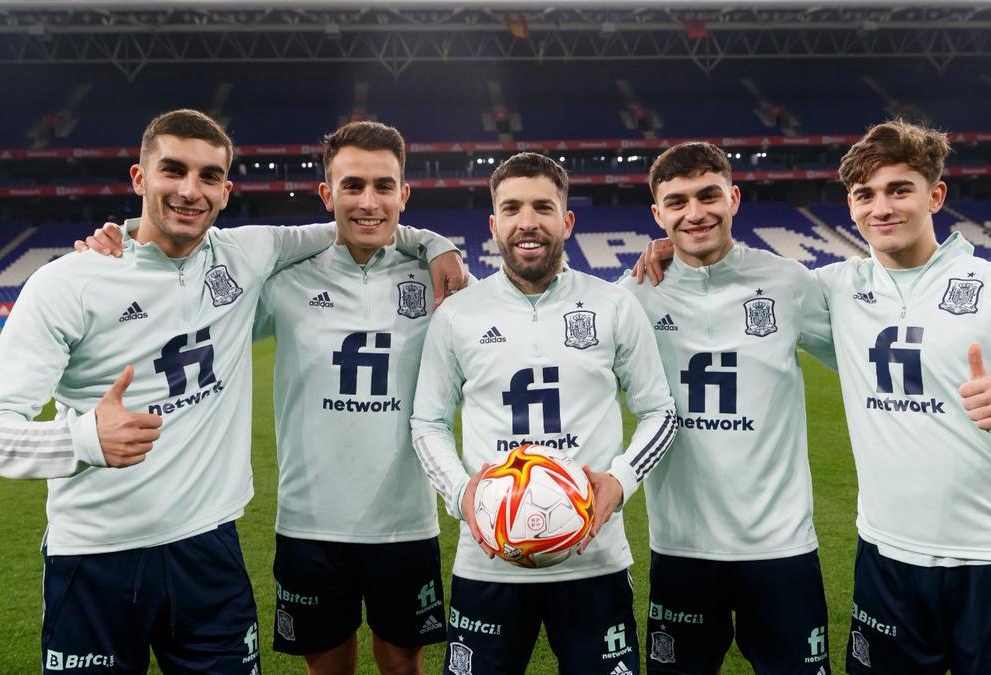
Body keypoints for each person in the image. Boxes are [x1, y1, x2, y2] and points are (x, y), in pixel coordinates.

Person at [0, 109, 463, 674]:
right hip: (95, 553)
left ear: (225, 191)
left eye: (207, 177)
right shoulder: (67, 283)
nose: (189, 190)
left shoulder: (245, 255)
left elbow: (362, 222)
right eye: (172, 171)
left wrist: (436, 242)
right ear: (138, 178)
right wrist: (82, 437)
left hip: (208, 547)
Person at [637, 120, 991, 675]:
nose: (883, 208)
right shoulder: (835, 289)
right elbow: (718, 269)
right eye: (865, 195)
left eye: (900, 190)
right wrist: (674, 249)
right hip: (884, 559)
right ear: (851, 206)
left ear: (935, 194)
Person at [410, 152, 678, 675]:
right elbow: (428, 422)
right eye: (511, 209)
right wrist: (464, 496)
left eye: (543, 207)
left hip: (593, 558)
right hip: (488, 561)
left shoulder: (613, 305)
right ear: (494, 224)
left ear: (567, 220)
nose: (527, 222)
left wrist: (619, 482)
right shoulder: (459, 314)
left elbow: (659, 412)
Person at [618, 142, 836, 674]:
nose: (695, 213)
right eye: (677, 202)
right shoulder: (633, 296)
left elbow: (862, 356)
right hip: (682, 546)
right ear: (657, 214)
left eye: (708, 195)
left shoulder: (787, 282)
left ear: (733, 197)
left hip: (780, 547)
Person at [252, 121, 453, 675]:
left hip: (406, 522)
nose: (369, 202)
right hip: (310, 523)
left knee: (403, 666)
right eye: (353, 186)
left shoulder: (439, 280)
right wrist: (124, 234)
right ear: (327, 194)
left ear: (404, 194)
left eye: (384, 186)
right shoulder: (283, 282)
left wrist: (436, 243)